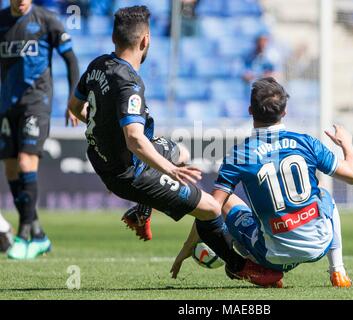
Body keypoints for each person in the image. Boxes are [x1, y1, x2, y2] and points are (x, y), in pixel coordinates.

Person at [68, 5, 282, 288]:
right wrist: (170, 171)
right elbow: (134, 139)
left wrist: (102, 130)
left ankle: (142, 211)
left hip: (106, 155)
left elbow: (74, 108)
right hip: (128, 171)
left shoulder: (97, 65)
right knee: (209, 209)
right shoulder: (129, 84)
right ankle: (239, 266)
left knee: (181, 152)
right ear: (145, 40)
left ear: (114, 39)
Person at [171, 78, 353, 288]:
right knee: (325, 196)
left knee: (224, 203)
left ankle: (256, 267)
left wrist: (188, 245)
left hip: (272, 256)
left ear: (250, 110)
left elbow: (210, 209)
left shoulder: (239, 154)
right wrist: (347, 145)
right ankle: (338, 271)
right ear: (285, 112)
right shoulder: (306, 143)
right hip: (318, 246)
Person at [0, 0, 80, 260]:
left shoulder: (47, 20)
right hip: (6, 106)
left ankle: (23, 236)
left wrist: (73, 100)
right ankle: (39, 234)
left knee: (25, 162)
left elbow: (70, 59)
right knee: (10, 167)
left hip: (37, 103)